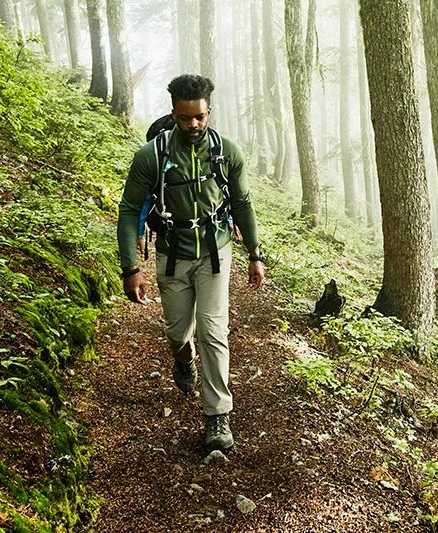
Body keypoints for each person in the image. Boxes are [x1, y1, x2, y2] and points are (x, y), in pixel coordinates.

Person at [117, 74, 265, 451]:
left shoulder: (227, 152)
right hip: (172, 255)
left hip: (215, 254)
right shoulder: (151, 155)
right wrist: (130, 268)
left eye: (199, 117)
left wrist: (254, 255)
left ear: (208, 111)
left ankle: (218, 416)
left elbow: (243, 204)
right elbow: (130, 209)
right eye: (185, 118)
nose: (193, 125)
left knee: (214, 333)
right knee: (177, 331)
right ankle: (184, 362)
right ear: (173, 114)